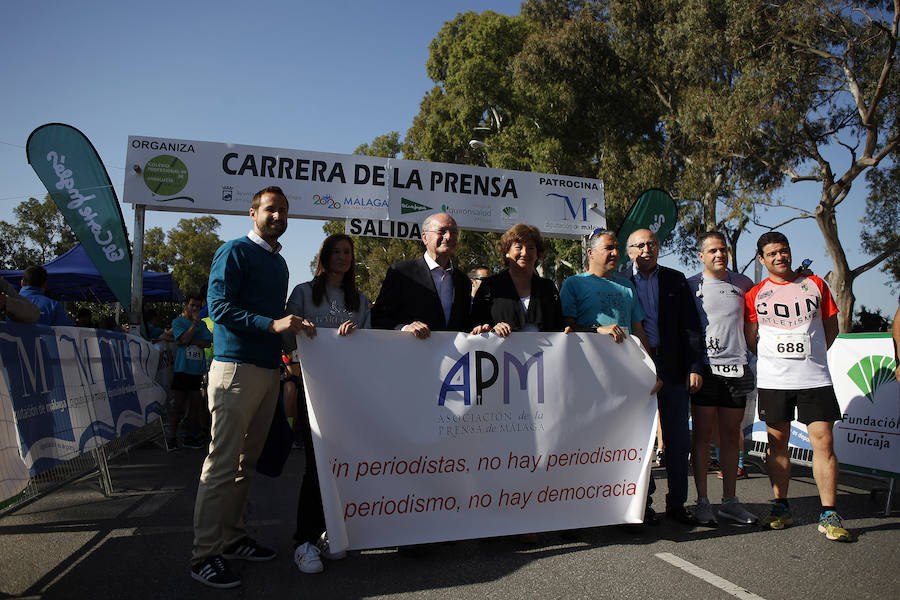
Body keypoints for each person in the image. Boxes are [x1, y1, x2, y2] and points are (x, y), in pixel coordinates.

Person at [190, 186, 312, 589]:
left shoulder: (279, 264)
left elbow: (273, 315)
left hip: (265, 370)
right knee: (222, 464)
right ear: (253, 213)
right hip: (234, 369)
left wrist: (293, 324)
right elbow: (219, 307)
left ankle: (232, 536)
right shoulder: (234, 251)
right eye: (271, 210)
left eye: (283, 211)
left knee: (246, 463)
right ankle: (205, 554)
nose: (278, 217)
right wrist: (271, 324)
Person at [744, 231, 851, 542]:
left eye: (784, 251)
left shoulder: (815, 284)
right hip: (774, 381)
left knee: (824, 443)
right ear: (762, 260)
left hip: (814, 378)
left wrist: (813, 356)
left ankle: (829, 513)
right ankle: (781, 507)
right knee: (777, 446)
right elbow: (752, 338)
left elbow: (831, 327)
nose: (780, 257)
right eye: (773, 254)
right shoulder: (755, 294)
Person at [284, 233, 371, 575]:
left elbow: (370, 345)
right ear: (324, 256)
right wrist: (300, 330)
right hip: (312, 391)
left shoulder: (360, 300)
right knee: (314, 466)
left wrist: (358, 336)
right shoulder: (304, 293)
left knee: (342, 464)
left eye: (347, 252)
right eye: (335, 251)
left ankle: (329, 531)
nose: (341, 257)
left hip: (347, 393)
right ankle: (303, 541)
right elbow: (285, 336)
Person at [625, 228, 704, 526]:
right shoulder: (620, 281)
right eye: (640, 245)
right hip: (636, 369)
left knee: (678, 440)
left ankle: (677, 504)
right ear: (630, 249)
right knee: (639, 441)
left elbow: (690, 326)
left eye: (652, 244)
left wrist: (695, 366)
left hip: (673, 368)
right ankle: (643, 505)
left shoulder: (675, 279)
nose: (647, 249)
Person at [686, 232, 758, 526]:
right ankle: (702, 502)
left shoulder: (743, 283)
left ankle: (730, 501)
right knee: (702, 436)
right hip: (705, 369)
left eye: (723, 250)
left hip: (737, 368)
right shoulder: (690, 286)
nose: (720, 254)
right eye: (713, 250)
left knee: (731, 436)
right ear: (701, 256)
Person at [372, 212, 471, 336]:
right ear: (425, 238)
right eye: (442, 231)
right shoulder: (401, 273)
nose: (449, 236)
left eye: (454, 232)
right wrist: (405, 328)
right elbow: (378, 318)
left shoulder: (463, 281)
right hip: (412, 352)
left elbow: (465, 325)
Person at [471, 224, 563, 335]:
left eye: (531, 248)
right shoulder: (489, 286)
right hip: (501, 351)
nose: (524, 253)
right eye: (518, 247)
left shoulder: (548, 287)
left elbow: (559, 325)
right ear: (507, 252)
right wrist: (491, 329)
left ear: (537, 254)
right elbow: (475, 323)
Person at [167, 293, 213, 451]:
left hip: (197, 371)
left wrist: (192, 340)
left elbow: (207, 343)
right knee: (178, 405)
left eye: (198, 307)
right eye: (192, 305)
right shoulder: (178, 322)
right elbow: (183, 340)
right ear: (186, 305)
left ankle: (189, 436)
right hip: (182, 369)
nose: (195, 309)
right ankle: (172, 437)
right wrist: (193, 326)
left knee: (195, 405)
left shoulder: (203, 325)